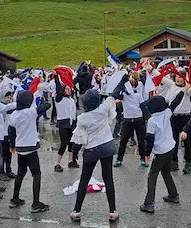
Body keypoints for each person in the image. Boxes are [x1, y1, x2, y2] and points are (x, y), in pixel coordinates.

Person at [69, 89, 119, 223]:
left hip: (91, 149)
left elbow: (79, 139)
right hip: (107, 146)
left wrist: (74, 154)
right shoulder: (103, 109)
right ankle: (113, 211)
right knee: (108, 178)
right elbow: (114, 95)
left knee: (84, 179)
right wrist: (124, 79)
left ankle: (77, 211)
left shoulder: (82, 118)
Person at [8, 90, 51, 213]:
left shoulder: (14, 114)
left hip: (20, 147)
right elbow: (47, 105)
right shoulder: (31, 112)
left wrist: (12, 146)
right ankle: (36, 203)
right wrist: (39, 100)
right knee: (36, 174)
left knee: (20, 173)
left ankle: (15, 198)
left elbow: (11, 131)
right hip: (31, 147)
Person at [140, 96, 180, 213]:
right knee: (166, 172)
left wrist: (147, 153)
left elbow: (149, 139)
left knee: (152, 176)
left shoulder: (152, 121)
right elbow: (174, 102)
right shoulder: (167, 113)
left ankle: (149, 203)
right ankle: (173, 195)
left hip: (160, 151)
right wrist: (183, 91)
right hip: (170, 148)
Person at [156, 68, 191, 174]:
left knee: (187, 141)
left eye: (181, 77)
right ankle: (174, 162)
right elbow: (161, 78)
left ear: (184, 78)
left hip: (185, 117)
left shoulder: (189, 87)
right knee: (173, 140)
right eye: (177, 76)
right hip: (173, 117)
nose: (178, 78)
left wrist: (188, 85)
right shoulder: (172, 85)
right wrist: (150, 68)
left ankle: (188, 162)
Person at [113, 73, 149, 168]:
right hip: (127, 120)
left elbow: (143, 107)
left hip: (139, 119)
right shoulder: (123, 95)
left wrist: (149, 118)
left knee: (141, 141)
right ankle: (119, 159)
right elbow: (115, 94)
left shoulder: (138, 95)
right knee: (123, 141)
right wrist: (121, 85)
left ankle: (143, 159)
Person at [53, 73, 78, 172]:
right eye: (66, 89)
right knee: (64, 144)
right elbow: (58, 88)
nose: (69, 90)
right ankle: (57, 163)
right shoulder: (59, 98)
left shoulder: (71, 100)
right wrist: (56, 77)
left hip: (72, 123)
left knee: (72, 143)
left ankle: (70, 161)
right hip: (63, 123)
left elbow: (74, 112)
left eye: (69, 89)